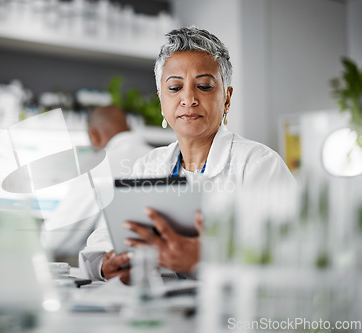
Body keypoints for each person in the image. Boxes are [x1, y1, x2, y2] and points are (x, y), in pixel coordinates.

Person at [79, 26, 296, 284]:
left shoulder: (260, 166)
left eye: (204, 86)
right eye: (175, 88)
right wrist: (108, 264)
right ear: (161, 100)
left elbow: (294, 256)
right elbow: (107, 238)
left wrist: (208, 259)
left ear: (226, 99)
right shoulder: (149, 166)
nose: (189, 98)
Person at [41, 105, 152, 264]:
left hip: (115, 271)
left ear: (93, 135)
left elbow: (54, 240)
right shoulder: (161, 158)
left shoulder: (99, 167)